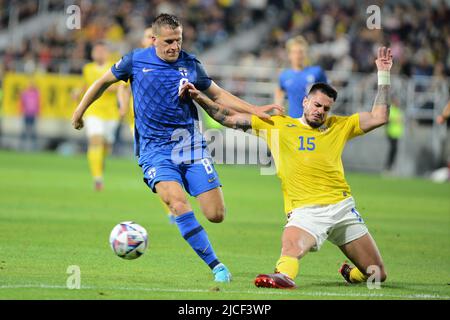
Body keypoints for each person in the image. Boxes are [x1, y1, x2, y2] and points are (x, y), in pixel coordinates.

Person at [72, 13, 281, 283]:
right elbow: (102, 82)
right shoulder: (135, 60)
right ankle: (217, 266)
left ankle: (199, 210)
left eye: (178, 41)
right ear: (154, 39)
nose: (175, 47)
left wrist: (253, 109)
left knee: (215, 215)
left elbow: (217, 93)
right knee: (177, 202)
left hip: (190, 146)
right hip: (154, 150)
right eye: (169, 41)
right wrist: (79, 112)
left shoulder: (190, 63)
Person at [182, 46, 392, 289]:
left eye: (325, 108)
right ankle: (283, 276)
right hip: (306, 211)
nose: (320, 111)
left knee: (377, 274)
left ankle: (352, 273)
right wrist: (199, 97)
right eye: (316, 105)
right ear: (305, 102)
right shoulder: (277, 125)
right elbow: (226, 117)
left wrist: (383, 75)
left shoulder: (339, 125)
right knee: (291, 245)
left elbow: (380, 116)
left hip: (342, 208)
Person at [117, 26, 177, 224]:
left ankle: (178, 203)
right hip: (143, 125)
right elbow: (122, 87)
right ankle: (172, 209)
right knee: (159, 167)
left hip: (171, 125)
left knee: (167, 166)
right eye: (146, 36)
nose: (150, 40)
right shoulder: (136, 62)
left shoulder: (170, 62)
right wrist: (124, 107)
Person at [74, 41, 120, 191]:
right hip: (94, 111)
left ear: (107, 53)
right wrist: (77, 93)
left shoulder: (114, 67)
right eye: (96, 51)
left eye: (102, 51)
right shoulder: (87, 68)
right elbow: (86, 86)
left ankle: (98, 167)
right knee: (96, 141)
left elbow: (119, 87)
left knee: (106, 147)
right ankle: (97, 178)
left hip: (111, 113)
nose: (99, 53)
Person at [275, 35, 328, 118]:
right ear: (289, 55)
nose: (298, 55)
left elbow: (327, 95)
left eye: (301, 52)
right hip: (294, 122)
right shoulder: (284, 76)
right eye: (294, 52)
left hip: (314, 122)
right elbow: (279, 92)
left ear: (305, 53)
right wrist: (278, 112)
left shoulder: (317, 72)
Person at [385, 97, 404, 172]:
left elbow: (401, 120)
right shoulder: (391, 110)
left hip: (396, 133)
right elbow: (388, 119)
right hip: (391, 132)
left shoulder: (398, 110)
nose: (398, 103)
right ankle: (388, 166)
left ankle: (391, 166)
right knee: (393, 149)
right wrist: (396, 120)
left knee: (394, 150)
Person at [20, 82, 40, 151]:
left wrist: (38, 111)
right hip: (26, 113)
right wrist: (21, 110)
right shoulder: (25, 93)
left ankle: (34, 147)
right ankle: (22, 145)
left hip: (33, 114)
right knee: (25, 130)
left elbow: (38, 103)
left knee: (33, 130)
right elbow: (22, 102)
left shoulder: (36, 93)